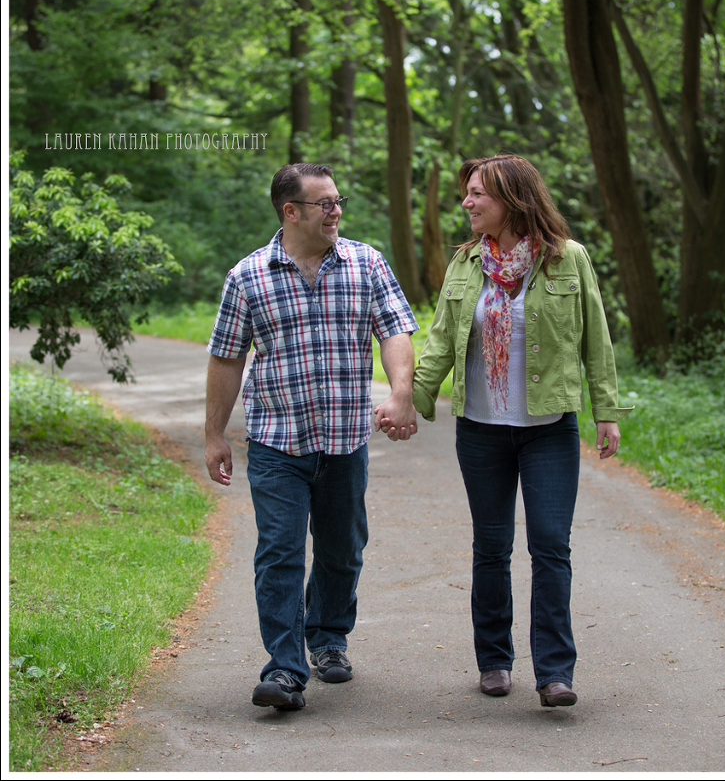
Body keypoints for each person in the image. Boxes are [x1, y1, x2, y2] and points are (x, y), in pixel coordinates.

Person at [378, 153, 631, 708]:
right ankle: (494, 661)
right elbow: (442, 340)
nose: (466, 203)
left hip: (549, 429)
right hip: (482, 431)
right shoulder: (465, 264)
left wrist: (606, 410)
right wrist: (407, 402)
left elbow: (597, 339)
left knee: (550, 547)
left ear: (513, 199)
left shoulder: (569, 260)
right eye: (466, 193)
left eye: (477, 194)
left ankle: (554, 673)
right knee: (491, 548)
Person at [205, 162, 419, 712]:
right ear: (290, 211)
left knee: (342, 550)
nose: (336, 210)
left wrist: (400, 391)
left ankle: (327, 638)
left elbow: (395, 329)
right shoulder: (247, 277)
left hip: (346, 439)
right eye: (324, 203)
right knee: (279, 552)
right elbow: (227, 358)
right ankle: (284, 669)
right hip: (278, 439)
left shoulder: (366, 264)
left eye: (338, 200)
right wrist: (214, 434)